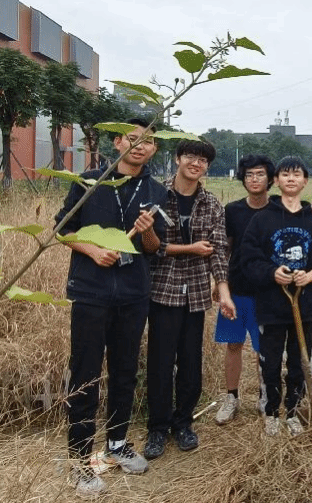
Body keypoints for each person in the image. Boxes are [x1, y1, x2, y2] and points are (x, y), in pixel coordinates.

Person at [54, 118, 167, 497]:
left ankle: (117, 444)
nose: (140, 146)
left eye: (147, 141)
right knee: (85, 373)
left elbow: (154, 248)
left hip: (134, 294)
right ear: (117, 142)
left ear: (154, 148)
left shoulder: (156, 190)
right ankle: (79, 459)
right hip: (90, 291)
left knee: (125, 371)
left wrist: (147, 230)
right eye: (132, 139)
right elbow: (62, 229)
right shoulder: (89, 181)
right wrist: (93, 250)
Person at [143, 139, 235, 460]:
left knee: (191, 362)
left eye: (203, 160)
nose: (196, 164)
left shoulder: (211, 204)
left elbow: (218, 251)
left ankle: (183, 423)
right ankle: (157, 427)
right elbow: (150, 246)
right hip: (163, 290)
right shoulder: (157, 195)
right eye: (191, 157)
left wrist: (223, 290)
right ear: (178, 159)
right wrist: (190, 249)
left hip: (195, 293)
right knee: (160, 362)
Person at [240, 156, 312, 436]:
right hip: (270, 305)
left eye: (296, 174)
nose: (291, 179)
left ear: (305, 181)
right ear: (276, 181)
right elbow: (249, 258)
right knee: (270, 360)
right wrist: (272, 273)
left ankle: (293, 410)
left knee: (299, 360)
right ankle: (271, 411)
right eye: (285, 174)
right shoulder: (261, 219)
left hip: (304, 305)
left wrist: (311, 275)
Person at [214, 155, 276, 425]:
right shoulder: (233, 210)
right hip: (237, 287)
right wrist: (220, 284)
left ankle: (266, 397)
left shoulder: (278, 209)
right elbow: (225, 249)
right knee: (234, 344)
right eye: (249, 174)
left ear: (270, 179)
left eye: (260, 174)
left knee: (266, 347)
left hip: (269, 290)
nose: (254, 179)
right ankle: (231, 397)